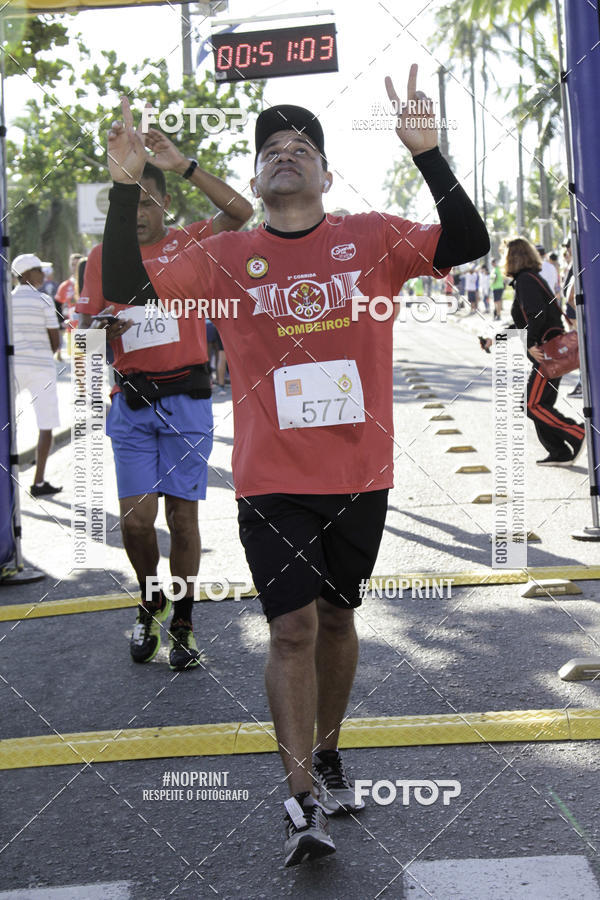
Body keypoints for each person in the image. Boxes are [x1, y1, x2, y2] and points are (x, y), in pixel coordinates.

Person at [102, 66, 489, 866]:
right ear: (254, 180)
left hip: (359, 473)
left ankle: (331, 749)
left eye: (302, 146)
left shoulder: (372, 237)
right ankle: (301, 799)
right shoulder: (223, 255)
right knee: (292, 628)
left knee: (339, 619)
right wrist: (123, 187)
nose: (286, 152)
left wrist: (428, 154)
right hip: (271, 478)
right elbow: (121, 284)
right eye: (271, 148)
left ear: (326, 175)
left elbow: (468, 242)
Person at [77, 140, 253, 672]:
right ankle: (151, 598)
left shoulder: (191, 242)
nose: (137, 213)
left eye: (147, 201)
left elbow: (241, 211)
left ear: (163, 204)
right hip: (131, 404)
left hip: (187, 403)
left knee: (182, 518)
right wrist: (100, 330)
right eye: (127, 203)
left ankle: (184, 620)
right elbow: (84, 335)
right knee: (136, 523)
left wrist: (186, 166)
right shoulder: (102, 258)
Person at [506, 237, 584, 466]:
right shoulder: (530, 279)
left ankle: (576, 432)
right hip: (549, 349)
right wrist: (495, 339)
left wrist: (531, 343)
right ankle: (559, 452)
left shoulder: (526, 280)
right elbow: (523, 321)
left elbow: (537, 314)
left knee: (531, 404)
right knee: (539, 404)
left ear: (512, 258)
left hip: (548, 352)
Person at [10, 253, 62, 496]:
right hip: (42, 368)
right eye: (39, 270)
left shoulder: (8, 300)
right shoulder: (44, 300)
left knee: (7, 422)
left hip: (13, 367)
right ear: (27, 274)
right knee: (46, 424)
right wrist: (45, 352)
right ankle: (38, 482)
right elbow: (55, 341)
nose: (43, 274)